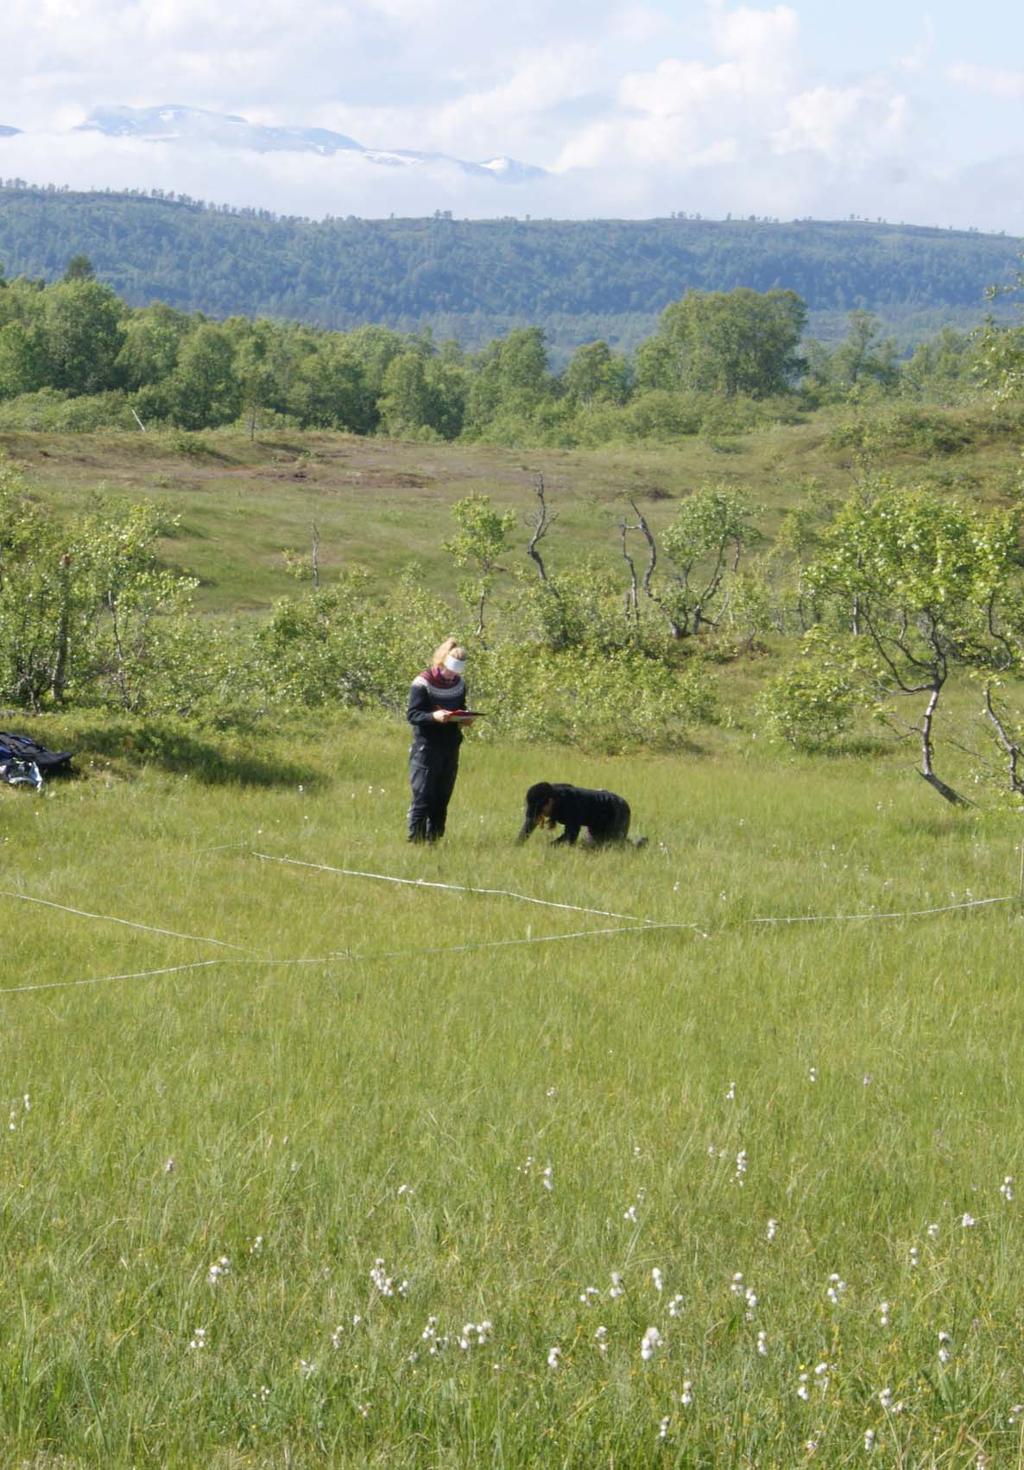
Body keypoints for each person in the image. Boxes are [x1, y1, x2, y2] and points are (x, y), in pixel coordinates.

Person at [406, 638, 476, 842]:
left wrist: (464, 719)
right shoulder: (422, 682)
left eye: (456, 672)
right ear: (441, 662)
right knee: (423, 797)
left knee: (442, 797)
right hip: (426, 748)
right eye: (449, 670)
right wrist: (433, 717)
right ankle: (415, 842)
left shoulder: (460, 684)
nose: (452, 676)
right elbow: (413, 715)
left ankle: (434, 841)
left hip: (450, 746)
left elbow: (460, 706)